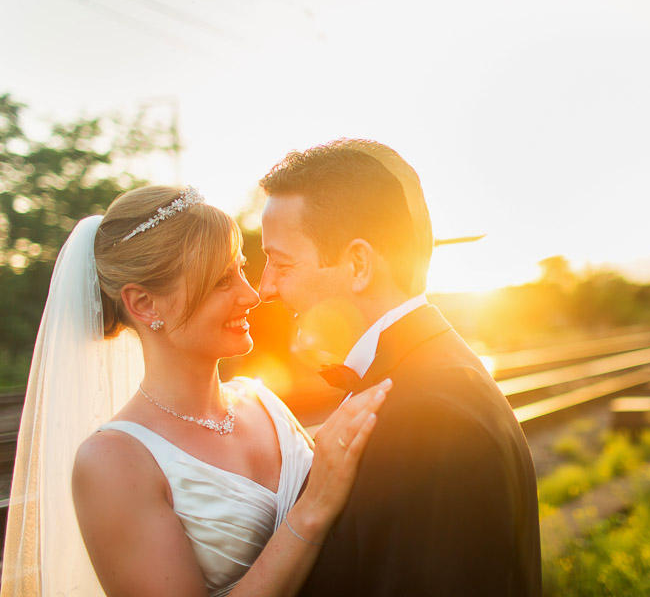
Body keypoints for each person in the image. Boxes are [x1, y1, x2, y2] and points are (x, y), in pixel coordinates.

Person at [0, 185, 390, 597]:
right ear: (146, 304)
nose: (252, 294)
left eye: (240, 269)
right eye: (223, 280)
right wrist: (311, 510)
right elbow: (319, 501)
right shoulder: (113, 461)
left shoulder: (263, 401)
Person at [258, 139, 542, 596]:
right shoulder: (422, 372)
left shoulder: (429, 418)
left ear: (357, 264)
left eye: (281, 262)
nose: (265, 287)